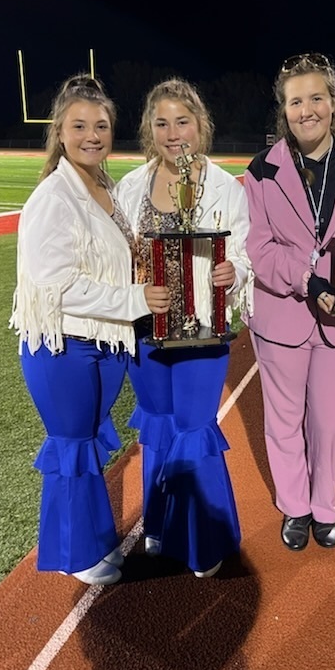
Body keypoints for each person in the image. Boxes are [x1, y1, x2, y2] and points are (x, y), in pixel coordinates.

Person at [9, 74, 153, 586]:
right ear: (60, 132)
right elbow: (59, 287)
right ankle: (75, 552)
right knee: (71, 445)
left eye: (102, 125)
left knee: (86, 442)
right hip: (63, 346)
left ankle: (93, 539)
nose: (92, 135)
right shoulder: (54, 196)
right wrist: (136, 298)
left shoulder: (104, 186)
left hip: (98, 341)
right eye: (80, 126)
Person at [242, 52, 335, 552]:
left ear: (332, 102)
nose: (307, 110)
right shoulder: (261, 171)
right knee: (282, 420)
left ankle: (325, 505)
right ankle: (296, 507)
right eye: (295, 101)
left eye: (316, 98)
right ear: (284, 109)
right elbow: (258, 248)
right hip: (282, 313)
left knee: (329, 422)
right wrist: (309, 279)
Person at [114, 78, 251, 578]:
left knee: (193, 426)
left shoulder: (224, 187)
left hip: (203, 332)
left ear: (201, 126)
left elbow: (242, 252)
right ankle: (159, 521)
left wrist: (232, 272)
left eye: (183, 121)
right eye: (162, 123)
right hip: (146, 331)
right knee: (157, 424)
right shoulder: (131, 185)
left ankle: (203, 537)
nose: (174, 133)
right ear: (151, 130)